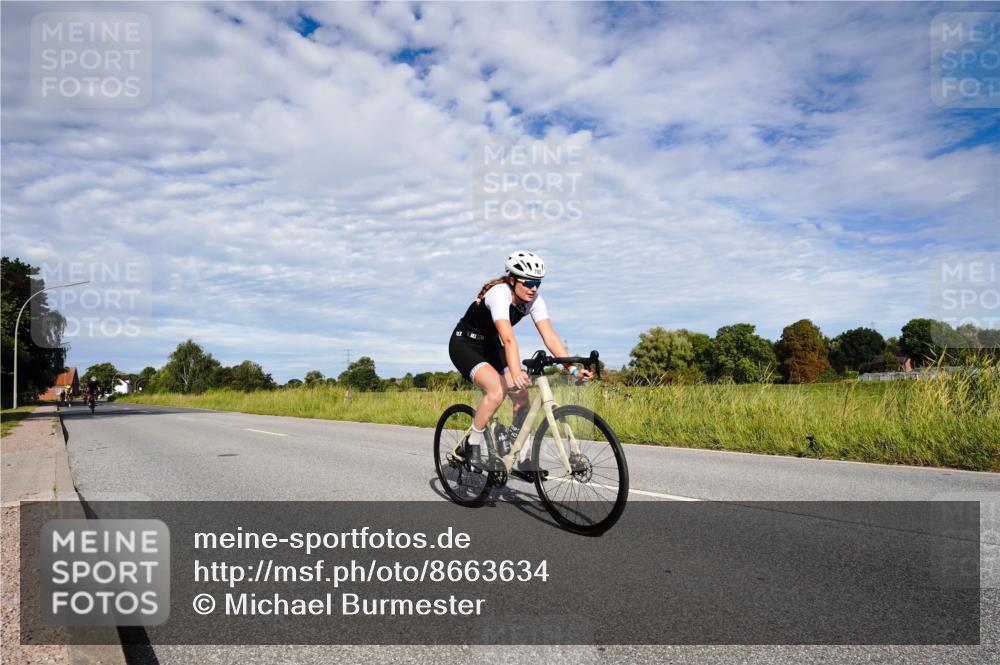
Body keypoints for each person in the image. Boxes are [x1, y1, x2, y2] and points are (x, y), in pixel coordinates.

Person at [448, 251, 592, 471]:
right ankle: (472, 444)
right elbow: (508, 338)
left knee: (522, 398)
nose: (533, 288)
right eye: (529, 283)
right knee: (497, 390)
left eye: (538, 283)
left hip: (491, 346)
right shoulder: (499, 293)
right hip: (465, 344)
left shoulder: (534, 300)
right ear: (513, 280)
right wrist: (515, 371)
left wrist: (572, 369)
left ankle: (521, 458)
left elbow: (550, 337)